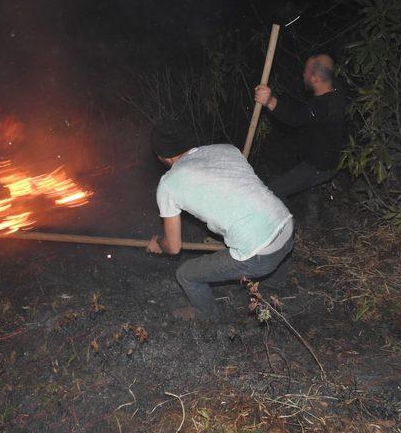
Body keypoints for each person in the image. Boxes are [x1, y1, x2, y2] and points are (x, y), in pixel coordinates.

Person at [146, 123, 294, 322]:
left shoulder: (168, 184)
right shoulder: (227, 149)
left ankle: (206, 315)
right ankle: (277, 284)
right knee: (262, 235)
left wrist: (159, 245)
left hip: (260, 256)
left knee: (186, 274)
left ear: (161, 157)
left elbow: (174, 248)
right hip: (288, 227)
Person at [254, 54, 347, 202]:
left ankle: (280, 222)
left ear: (315, 78)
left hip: (319, 166)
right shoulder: (336, 91)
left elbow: (295, 117)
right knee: (310, 182)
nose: (303, 74)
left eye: (307, 71)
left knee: (271, 193)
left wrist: (269, 101)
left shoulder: (322, 106)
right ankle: (313, 209)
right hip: (329, 159)